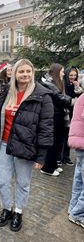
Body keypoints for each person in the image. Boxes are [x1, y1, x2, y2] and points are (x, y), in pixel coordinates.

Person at [0, 59, 54, 232]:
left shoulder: (42, 95)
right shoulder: (6, 92)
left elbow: (46, 128)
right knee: (2, 181)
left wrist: (41, 156)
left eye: (28, 71)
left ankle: (18, 211)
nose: (25, 74)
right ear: (15, 74)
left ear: (32, 73)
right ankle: (7, 208)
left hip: (26, 147)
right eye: (21, 71)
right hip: (4, 144)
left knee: (23, 182)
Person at [40, 63, 73, 176]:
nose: (63, 73)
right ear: (56, 71)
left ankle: (53, 164)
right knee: (53, 143)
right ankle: (47, 167)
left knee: (58, 142)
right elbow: (59, 97)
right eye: (62, 71)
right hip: (53, 115)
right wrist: (73, 101)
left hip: (59, 115)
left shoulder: (57, 82)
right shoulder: (48, 83)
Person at [67, 92, 84, 229]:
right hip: (82, 142)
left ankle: (74, 209)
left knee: (79, 179)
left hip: (79, 141)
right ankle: (78, 213)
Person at [62, 67, 83, 166]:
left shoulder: (76, 85)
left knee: (69, 135)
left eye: (75, 75)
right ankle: (60, 157)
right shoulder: (63, 85)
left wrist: (77, 87)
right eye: (71, 75)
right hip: (64, 113)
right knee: (62, 135)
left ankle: (66, 156)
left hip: (73, 114)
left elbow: (80, 98)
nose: (73, 77)